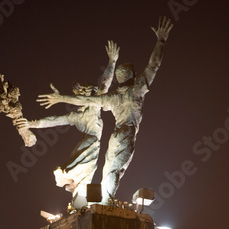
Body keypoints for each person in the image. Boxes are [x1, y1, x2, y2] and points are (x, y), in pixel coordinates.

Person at [37, 17, 173, 203]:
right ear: (133, 76)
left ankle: (102, 202)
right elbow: (153, 65)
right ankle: (105, 204)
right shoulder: (137, 90)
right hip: (126, 134)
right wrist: (161, 41)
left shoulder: (114, 97)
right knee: (114, 170)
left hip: (116, 135)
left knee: (109, 170)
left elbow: (86, 99)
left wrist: (62, 98)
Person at [16, 41, 120, 206]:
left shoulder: (86, 110)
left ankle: (78, 202)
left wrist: (112, 62)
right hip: (90, 143)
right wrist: (31, 124)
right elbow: (55, 120)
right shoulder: (85, 112)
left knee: (85, 179)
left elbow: (104, 84)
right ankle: (78, 195)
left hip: (90, 145)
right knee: (85, 171)